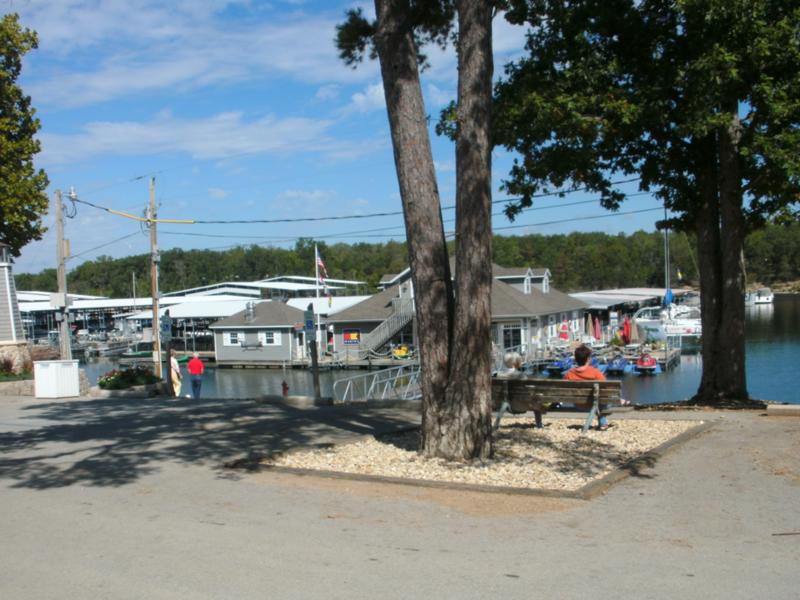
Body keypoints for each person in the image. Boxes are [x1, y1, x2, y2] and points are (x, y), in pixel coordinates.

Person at [564, 344, 610, 430]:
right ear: (588, 359)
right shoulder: (594, 372)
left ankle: (603, 423)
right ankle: (603, 424)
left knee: (600, 398)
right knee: (604, 397)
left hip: (577, 404)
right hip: (593, 404)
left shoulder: (569, 374)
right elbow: (607, 387)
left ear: (576, 359)